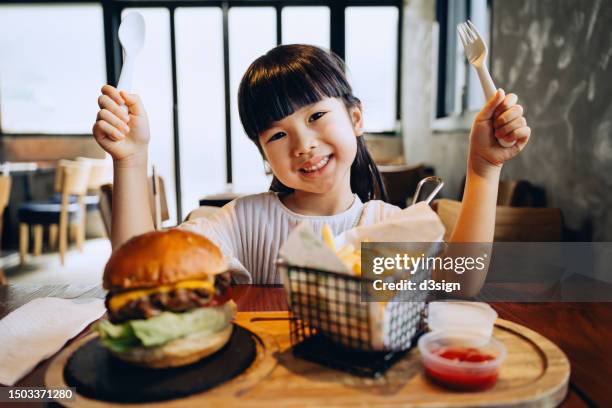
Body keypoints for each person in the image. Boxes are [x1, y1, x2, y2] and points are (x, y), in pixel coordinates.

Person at [92, 44, 530, 285]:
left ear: (355, 119)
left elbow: (461, 283)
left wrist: (483, 169)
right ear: (264, 153)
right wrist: (131, 160)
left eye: (317, 116)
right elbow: (140, 273)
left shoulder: (385, 225)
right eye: (277, 135)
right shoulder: (241, 223)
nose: (302, 144)